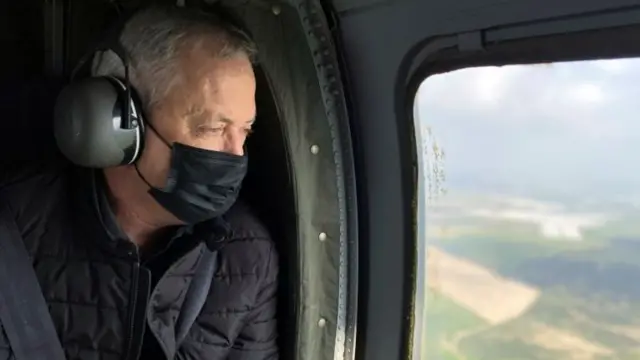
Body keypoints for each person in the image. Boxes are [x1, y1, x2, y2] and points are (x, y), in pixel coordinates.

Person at [0, 5, 278, 360]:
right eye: (212, 128)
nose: (236, 156)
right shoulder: (11, 234)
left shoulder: (248, 256)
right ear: (115, 123)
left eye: (245, 132)